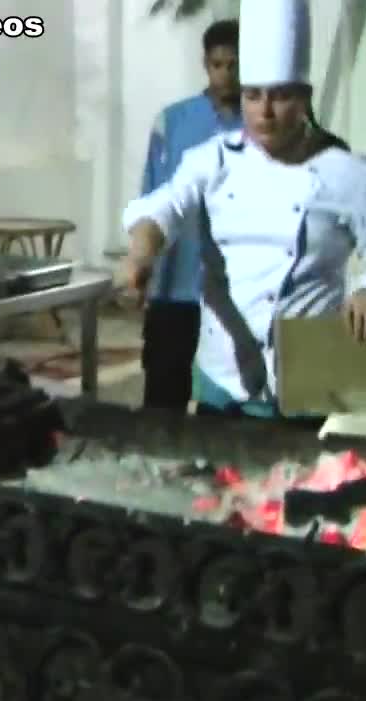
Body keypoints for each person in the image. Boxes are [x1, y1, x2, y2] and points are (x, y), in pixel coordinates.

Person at [115, 0, 366, 421]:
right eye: (253, 96)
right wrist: (139, 256)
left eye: (281, 96)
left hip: (311, 375)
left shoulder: (347, 173)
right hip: (223, 378)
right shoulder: (212, 160)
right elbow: (164, 206)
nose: (265, 112)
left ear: (305, 97)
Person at [139, 19, 244, 412]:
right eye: (218, 65)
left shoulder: (261, 125)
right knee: (163, 397)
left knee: (226, 405)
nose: (226, 75)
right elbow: (152, 198)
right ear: (206, 64)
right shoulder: (173, 122)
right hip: (175, 284)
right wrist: (143, 266)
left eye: (234, 65)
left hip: (235, 292)